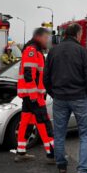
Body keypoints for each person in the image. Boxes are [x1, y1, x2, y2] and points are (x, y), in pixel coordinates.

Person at [44, 23, 87, 173]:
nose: (82, 37)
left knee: (59, 134)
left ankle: (61, 168)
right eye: (81, 34)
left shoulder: (53, 52)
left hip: (60, 98)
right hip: (79, 97)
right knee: (86, 134)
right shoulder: (83, 52)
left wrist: (54, 93)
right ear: (77, 34)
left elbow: (46, 78)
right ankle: (83, 172)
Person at [14, 28, 55, 163]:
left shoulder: (32, 50)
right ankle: (52, 154)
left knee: (26, 122)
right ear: (39, 37)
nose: (47, 41)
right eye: (46, 38)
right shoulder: (32, 50)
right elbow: (28, 74)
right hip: (34, 95)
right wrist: (34, 96)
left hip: (29, 95)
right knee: (43, 122)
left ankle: (21, 152)